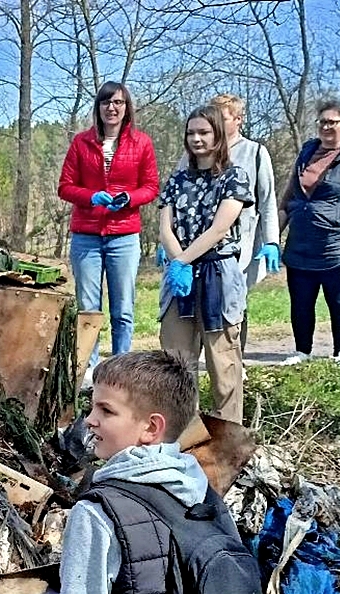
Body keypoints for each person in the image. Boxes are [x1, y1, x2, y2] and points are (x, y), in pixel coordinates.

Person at [15, 350, 279, 594]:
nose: (89, 421)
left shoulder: (99, 512)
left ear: (151, 428)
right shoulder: (202, 495)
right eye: (92, 407)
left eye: (106, 411)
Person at [157, 105, 253, 423]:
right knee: (176, 361)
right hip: (180, 277)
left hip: (218, 275)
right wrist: (177, 263)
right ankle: (182, 435)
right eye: (191, 133)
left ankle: (229, 438)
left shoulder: (234, 177)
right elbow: (164, 228)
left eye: (204, 132)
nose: (196, 139)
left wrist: (184, 259)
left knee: (223, 362)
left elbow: (220, 228)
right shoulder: (177, 179)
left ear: (218, 135)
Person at [59, 81, 159, 375]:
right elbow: (65, 187)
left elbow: (151, 187)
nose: (111, 108)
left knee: (123, 308)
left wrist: (130, 198)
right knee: (88, 306)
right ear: (98, 108)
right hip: (87, 235)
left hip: (124, 234)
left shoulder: (141, 143)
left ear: (126, 108)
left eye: (118, 103)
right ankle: (88, 369)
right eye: (106, 103)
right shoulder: (81, 143)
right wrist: (90, 197)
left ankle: (121, 366)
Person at [166, 94, 281, 350]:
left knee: (234, 301)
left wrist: (272, 240)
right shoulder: (191, 154)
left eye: (222, 117)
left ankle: (234, 357)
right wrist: (168, 244)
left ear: (238, 120)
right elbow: (175, 198)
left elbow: (267, 200)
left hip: (238, 242)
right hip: (192, 243)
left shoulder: (255, 152)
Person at [278, 100, 340, 365]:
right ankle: (302, 350)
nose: (326, 127)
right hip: (301, 241)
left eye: (332, 122)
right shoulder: (308, 152)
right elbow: (290, 195)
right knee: (301, 301)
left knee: (339, 300)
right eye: (322, 122)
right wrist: (272, 235)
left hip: (339, 242)